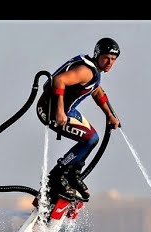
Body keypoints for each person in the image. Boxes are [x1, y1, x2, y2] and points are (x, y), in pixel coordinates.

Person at [36, 37, 121, 202]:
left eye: (113, 59)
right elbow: (59, 81)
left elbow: (96, 91)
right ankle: (56, 176)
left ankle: (72, 174)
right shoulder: (86, 71)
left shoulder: (94, 72)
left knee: (92, 138)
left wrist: (109, 115)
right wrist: (60, 111)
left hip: (68, 111)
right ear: (97, 55)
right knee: (90, 139)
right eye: (106, 58)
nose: (110, 62)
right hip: (50, 112)